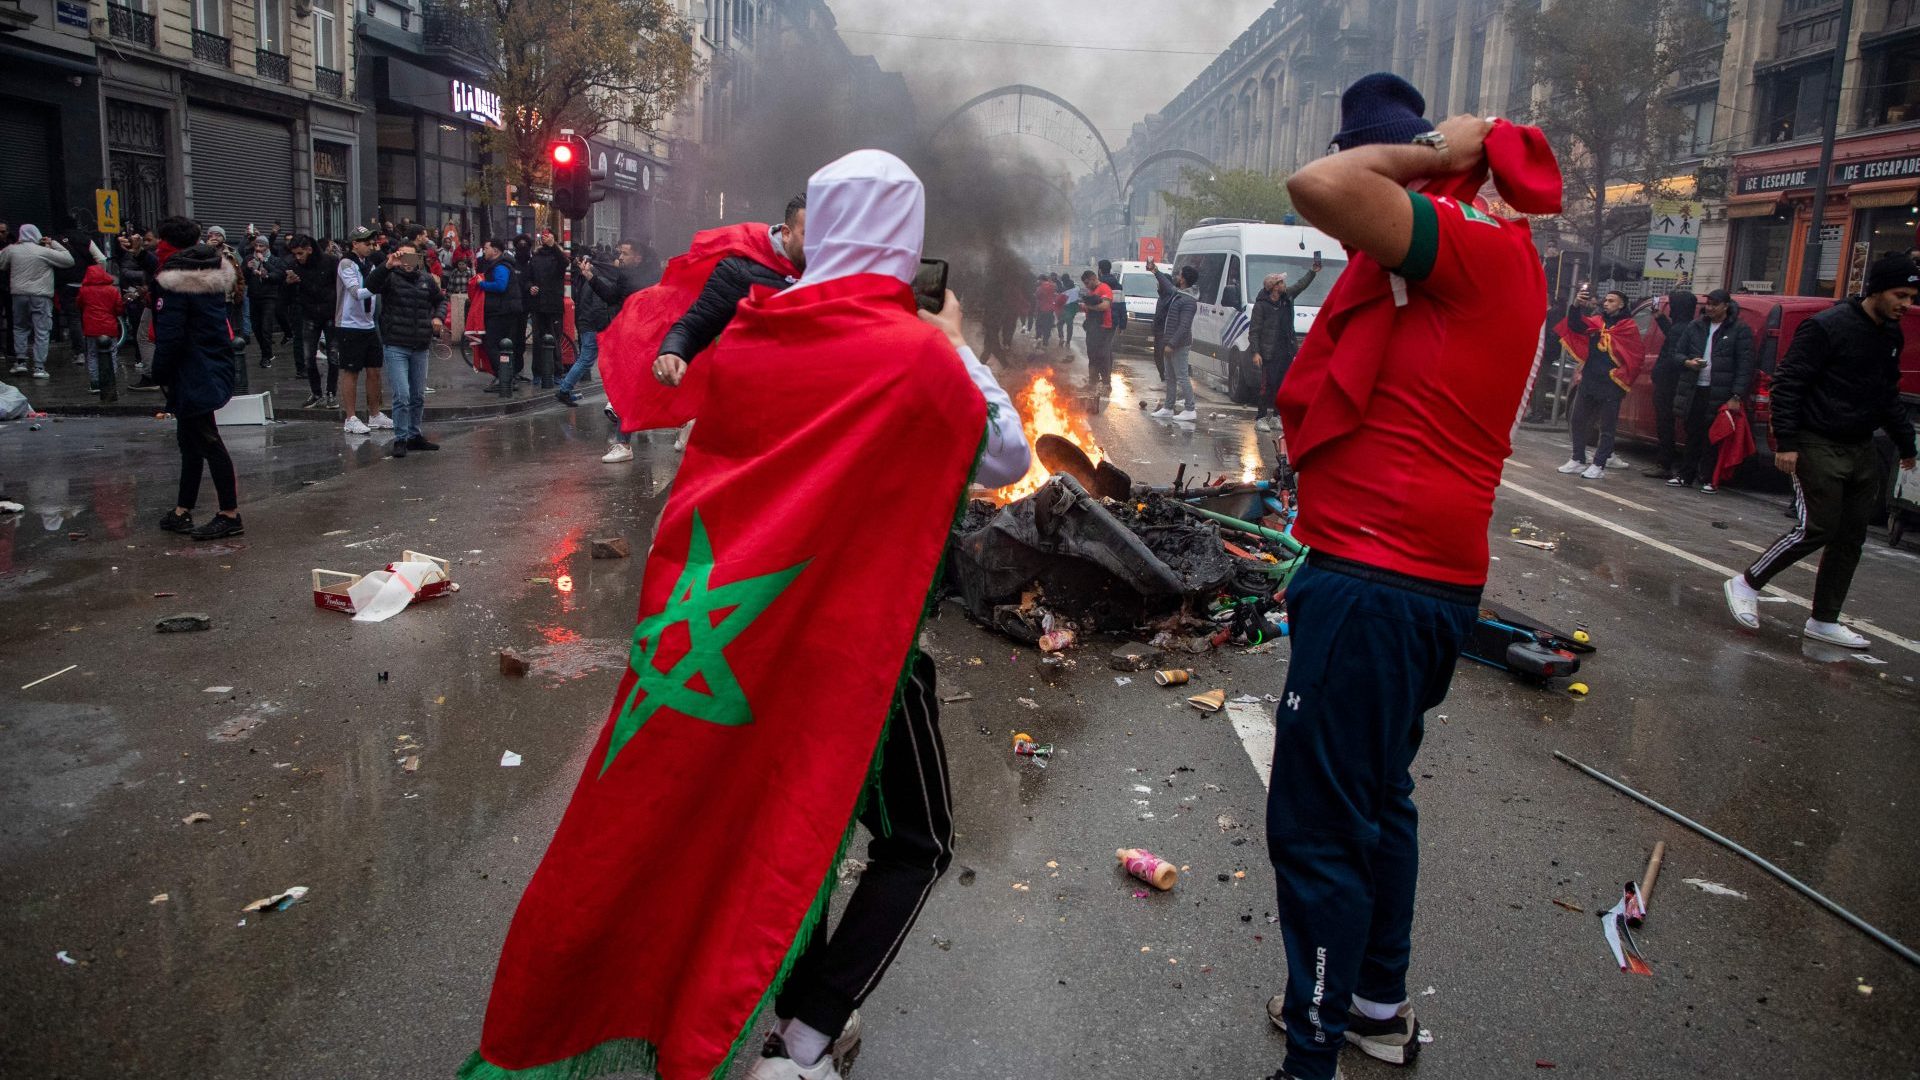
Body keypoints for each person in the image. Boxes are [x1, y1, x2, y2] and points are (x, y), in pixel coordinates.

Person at [461, 148, 1030, 1080]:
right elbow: (1002, 456)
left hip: (729, 630)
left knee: (737, 819)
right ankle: (800, 1046)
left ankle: (724, 1010)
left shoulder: (760, 328)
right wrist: (959, 340)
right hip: (855, 652)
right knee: (913, 844)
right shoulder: (921, 355)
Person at [1269, 74, 1561, 1080]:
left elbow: (1317, 183)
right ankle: (1374, 1008)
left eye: (1387, 163)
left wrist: (1438, 146)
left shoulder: (1473, 249)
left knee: (1315, 836)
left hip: (1380, 587)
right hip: (1412, 585)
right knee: (1378, 802)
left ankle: (1309, 1057)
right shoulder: (1469, 267)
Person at [1725, 253, 1918, 648]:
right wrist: (1788, 443)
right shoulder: (1827, 326)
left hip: (1860, 444)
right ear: (1877, 289)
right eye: (1900, 294)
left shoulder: (1891, 335)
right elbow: (1789, 382)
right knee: (1818, 527)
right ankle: (1746, 582)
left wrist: (1905, 443)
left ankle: (1825, 618)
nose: (1906, 305)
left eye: (1911, 297)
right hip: (1817, 439)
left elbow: (1887, 392)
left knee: (1851, 536)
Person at [652, 193, 807, 452]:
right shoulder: (740, 271)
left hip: (809, 413)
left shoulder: (834, 270)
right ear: (787, 232)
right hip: (754, 415)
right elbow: (695, 324)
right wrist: (673, 352)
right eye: (809, 235)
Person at [150, 216, 244, 541]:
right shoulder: (207, 269)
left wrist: (158, 371)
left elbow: (171, 334)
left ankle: (229, 514)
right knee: (190, 440)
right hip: (209, 363)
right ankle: (182, 510)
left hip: (194, 369)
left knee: (206, 439)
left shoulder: (176, 280)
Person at [561, 240, 649, 463]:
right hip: (627, 336)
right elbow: (611, 296)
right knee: (629, 388)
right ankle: (624, 440)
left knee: (633, 388)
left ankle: (627, 440)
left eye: (625, 254)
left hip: (640, 337)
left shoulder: (643, 277)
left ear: (638, 258)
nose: (620, 256)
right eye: (619, 252)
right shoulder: (624, 276)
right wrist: (591, 277)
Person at [1667, 288, 1755, 492]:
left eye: (1715, 304)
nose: (1710, 308)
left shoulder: (1739, 330)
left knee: (1713, 436)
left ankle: (1708, 477)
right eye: (1708, 304)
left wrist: (1736, 394)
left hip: (1720, 391)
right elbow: (1677, 353)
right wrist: (1688, 362)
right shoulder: (1695, 326)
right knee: (1693, 432)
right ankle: (1685, 475)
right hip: (1695, 387)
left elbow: (1745, 365)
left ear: (1726, 305)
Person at [367, 240, 446, 457]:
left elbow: (441, 300)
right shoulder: (390, 278)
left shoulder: (426, 280)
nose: (408, 263)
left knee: (417, 395)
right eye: (404, 257)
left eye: (412, 258)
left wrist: (438, 318)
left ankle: (414, 435)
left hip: (420, 345)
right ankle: (401, 438)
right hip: (396, 344)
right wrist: (388, 264)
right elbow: (371, 285)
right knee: (402, 394)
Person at [1555, 288, 1639, 480]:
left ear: (1621, 304)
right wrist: (1576, 305)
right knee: (1577, 419)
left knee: (1607, 427)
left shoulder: (1628, 327)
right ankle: (1577, 458)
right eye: (1606, 300)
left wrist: (1620, 375)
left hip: (1611, 382)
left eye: (1611, 301)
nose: (1606, 303)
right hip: (1590, 378)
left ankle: (1599, 464)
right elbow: (1575, 325)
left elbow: (1636, 355)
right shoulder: (1597, 322)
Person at [1249, 260, 1321, 431]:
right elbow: (1255, 330)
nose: (1285, 284)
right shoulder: (1261, 306)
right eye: (1281, 282)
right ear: (1274, 287)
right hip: (1269, 352)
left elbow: (1300, 285)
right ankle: (1261, 417)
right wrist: (1256, 352)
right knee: (1267, 385)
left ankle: (1276, 416)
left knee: (1282, 385)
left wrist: (1313, 271)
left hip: (1286, 350)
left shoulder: (1287, 297)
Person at [334, 226, 390, 434]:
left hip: (367, 322)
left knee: (374, 369)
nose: (370, 246)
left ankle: (374, 413)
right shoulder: (347, 263)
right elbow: (358, 292)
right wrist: (382, 275)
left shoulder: (371, 264)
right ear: (354, 244)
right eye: (366, 243)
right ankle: (350, 417)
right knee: (351, 370)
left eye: (372, 243)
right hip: (349, 324)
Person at [0, 224, 75, 378]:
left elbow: (1, 262)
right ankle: (39, 367)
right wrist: (52, 243)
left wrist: (12, 247)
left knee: (20, 327)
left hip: (18, 295)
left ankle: (20, 362)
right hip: (41, 295)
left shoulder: (12, 249)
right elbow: (68, 260)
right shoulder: (44, 251)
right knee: (42, 330)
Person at [1645, 288, 1698, 479]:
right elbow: (1675, 334)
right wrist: (1660, 319)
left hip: (1668, 382)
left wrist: (1657, 373)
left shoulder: (1680, 327)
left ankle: (1664, 462)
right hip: (1682, 382)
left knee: (1665, 422)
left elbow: (1673, 353)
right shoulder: (1690, 326)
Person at [287, 235, 340, 407]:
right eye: (295, 254)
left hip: (329, 313)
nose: (298, 257)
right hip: (309, 313)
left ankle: (331, 393)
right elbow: (287, 295)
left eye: (300, 253)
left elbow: (339, 286)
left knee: (333, 355)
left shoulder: (330, 262)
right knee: (309, 357)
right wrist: (289, 284)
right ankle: (316, 393)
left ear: (309, 249)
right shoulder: (295, 266)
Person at [1149, 258, 1198, 421]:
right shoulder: (1178, 294)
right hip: (1169, 343)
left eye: (1179, 275)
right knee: (1169, 376)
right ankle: (1168, 407)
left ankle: (1190, 409)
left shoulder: (1189, 300)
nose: (1177, 276)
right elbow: (1166, 284)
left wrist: (1171, 343)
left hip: (1179, 344)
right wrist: (1155, 271)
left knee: (1182, 376)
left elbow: (1184, 326)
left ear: (1183, 279)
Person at [476, 237, 527, 395]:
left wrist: (481, 284)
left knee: (493, 345)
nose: (484, 251)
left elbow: (500, 285)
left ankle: (504, 376)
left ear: (495, 251)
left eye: (486, 248)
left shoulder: (500, 266)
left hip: (501, 312)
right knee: (501, 346)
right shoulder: (500, 264)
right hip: (503, 310)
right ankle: (505, 376)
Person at [526, 230, 569, 388]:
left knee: (555, 339)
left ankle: (557, 372)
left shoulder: (557, 257)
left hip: (553, 303)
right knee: (538, 340)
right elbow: (528, 278)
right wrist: (531, 287)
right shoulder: (535, 258)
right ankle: (537, 373)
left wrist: (555, 247)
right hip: (538, 304)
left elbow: (565, 264)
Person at [76, 262, 122, 392]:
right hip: (109, 327)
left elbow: (79, 304)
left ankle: (95, 382)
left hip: (91, 327)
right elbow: (118, 309)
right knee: (111, 354)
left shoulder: (84, 291)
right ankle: (109, 381)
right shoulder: (112, 290)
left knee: (92, 354)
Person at [242, 235, 285, 370]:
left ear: (267, 247)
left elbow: (278, 276)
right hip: (254, 296)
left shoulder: (274, 260)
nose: (258, 249)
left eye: (262, 246)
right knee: (256, 328)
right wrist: (247, 269)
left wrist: (265, 264)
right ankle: (267, 351)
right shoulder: (249, 258)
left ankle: (265, 357)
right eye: (256, 246)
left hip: (269, 297)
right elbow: (242, 277)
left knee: (266, 327)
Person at [1077, 267, 1115, 392]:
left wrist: (1088, 306)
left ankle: (1106, 384)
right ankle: (1092, 381)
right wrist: (1083, 307)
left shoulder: (1104, 288)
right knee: (1092, 355)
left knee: (1103, 356)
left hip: (1104, 327)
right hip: (1092, 328)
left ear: (1094, 278)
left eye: (1088, 283)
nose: (1087, 286)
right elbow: (1090, 307)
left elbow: (1105, 306)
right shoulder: (1091, 291)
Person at [1033, 274, 1057, 346]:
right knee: (1048, 325)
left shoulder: (1040, 287)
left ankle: (1038, 337)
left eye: (1039, 280)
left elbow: (1037, 296)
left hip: (1042, 308)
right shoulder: (1053, 286)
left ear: (1041, 280)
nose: (1038, 281)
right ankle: (1046, 340)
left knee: (1039, 324)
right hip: (1050, 309)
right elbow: (1055, 295)